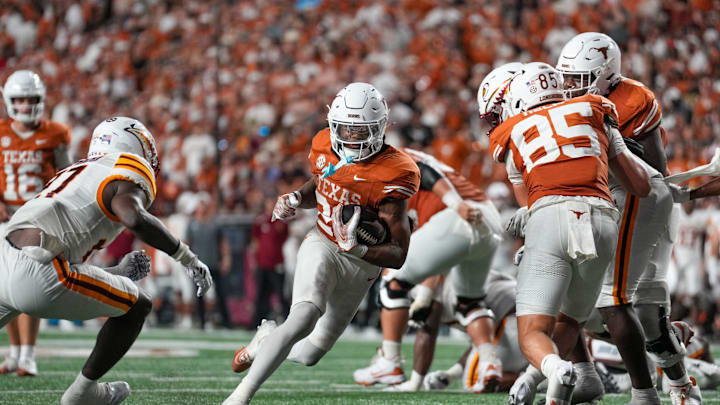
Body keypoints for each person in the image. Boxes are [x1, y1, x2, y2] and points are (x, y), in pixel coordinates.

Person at [223, 82, 420, 404]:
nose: (352, 137)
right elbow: (322, 180)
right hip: (324, 244)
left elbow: (398, 255)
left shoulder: (395, 171)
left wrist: (359, 249)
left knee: (309, 354)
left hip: (362, 263)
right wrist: (296, 198)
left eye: (361, 131)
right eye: (346, 129)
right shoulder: (322, 143)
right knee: (302, 318)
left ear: (380, 128)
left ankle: (265, 340)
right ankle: (241, 396)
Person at [0, 116, 213, 405]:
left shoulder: (77, 170)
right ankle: (82, 393)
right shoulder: (125, 165)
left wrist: (116, 272)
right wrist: (186, 257)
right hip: (39, 270)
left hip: (5, 254)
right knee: (138, 306)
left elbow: (61, 257)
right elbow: (132, 216)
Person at [485, 62, 650, 405]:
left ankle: (552, 369)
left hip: (550, 217)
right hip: (603, 220)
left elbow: (531, 207)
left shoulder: (511, 132)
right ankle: (544, 384)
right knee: (570, 321)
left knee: (533, 331)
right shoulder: (595, 109)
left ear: (517, 102)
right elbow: (641, 184)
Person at [551, 32, 701, 405]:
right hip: (600, 205)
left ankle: (670, 385)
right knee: (579, 296)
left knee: (625, 304)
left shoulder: (633, 99)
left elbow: (655, 174)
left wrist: (617, 145)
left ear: (608, 75)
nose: (570, 86)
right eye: (566, 77)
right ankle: (668, 375)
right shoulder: (562, 99)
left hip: (640, 204)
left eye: (579, 79)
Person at [353, 147, 503, 393]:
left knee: (392, 283)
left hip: (460, 216)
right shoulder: (402, 177)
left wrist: (424, 296)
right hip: (488, 221)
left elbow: (424, 171)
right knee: (469, 302)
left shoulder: (391, 160)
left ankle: (390, 360)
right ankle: (489, 363)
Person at [0, 70, 71, 377]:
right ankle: (15, 354)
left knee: (28, 286)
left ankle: (28, 355)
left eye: (32, 99)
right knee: (6, 289)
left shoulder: (56, 132)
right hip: (5, 215)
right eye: (20, 99)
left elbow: (67, 175)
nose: (27, 105)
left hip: (36, 218)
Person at [186, 192, 232, 329]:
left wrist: (226, 259)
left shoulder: (214, 224)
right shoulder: (192, 224)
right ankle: (201, 322)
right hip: (198, 265)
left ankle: (226, 321)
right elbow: (187, 244)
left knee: (221, 293)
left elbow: (223, 243)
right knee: (199, 294)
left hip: (213, 262)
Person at [250, 197, 290, 327]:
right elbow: (255, 242)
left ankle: (288, 321)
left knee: (281, 294)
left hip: (276, 263)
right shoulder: (260, 221)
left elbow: (284, 238)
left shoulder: (281, 222)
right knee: (261, 295)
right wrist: (254, 260)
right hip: (263, 263)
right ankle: (257, 322)